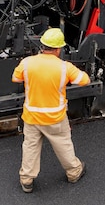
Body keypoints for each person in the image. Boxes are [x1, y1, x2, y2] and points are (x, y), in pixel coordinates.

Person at [11, 28, 91, 193]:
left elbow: (15, 78)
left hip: (32, 117)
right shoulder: (64, 67)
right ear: (58, 49)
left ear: (42, 46)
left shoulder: (27, 63)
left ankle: (26, 179)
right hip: (55, 118)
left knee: (30, 146)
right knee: (62, 144)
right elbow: (85, 80)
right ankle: (74, 171)